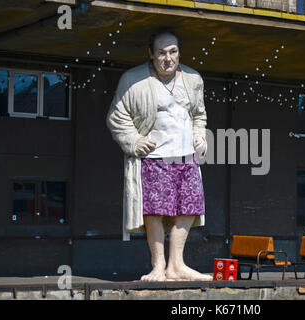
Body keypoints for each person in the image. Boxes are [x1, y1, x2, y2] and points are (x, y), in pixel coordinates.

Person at [106, 29, 211, 281]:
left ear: (179, 53)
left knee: (189, 208)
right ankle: (158, 266)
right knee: (155, 211)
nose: (168, 58)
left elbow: (199, 114)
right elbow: (116, 117)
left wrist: (200, 135)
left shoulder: (193, 79)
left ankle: (177, 265)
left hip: (186, 157)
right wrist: (133, 140)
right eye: (162, 52)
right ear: (151, 54)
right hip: (155, 157)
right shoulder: (133, 80)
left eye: (173, 51)